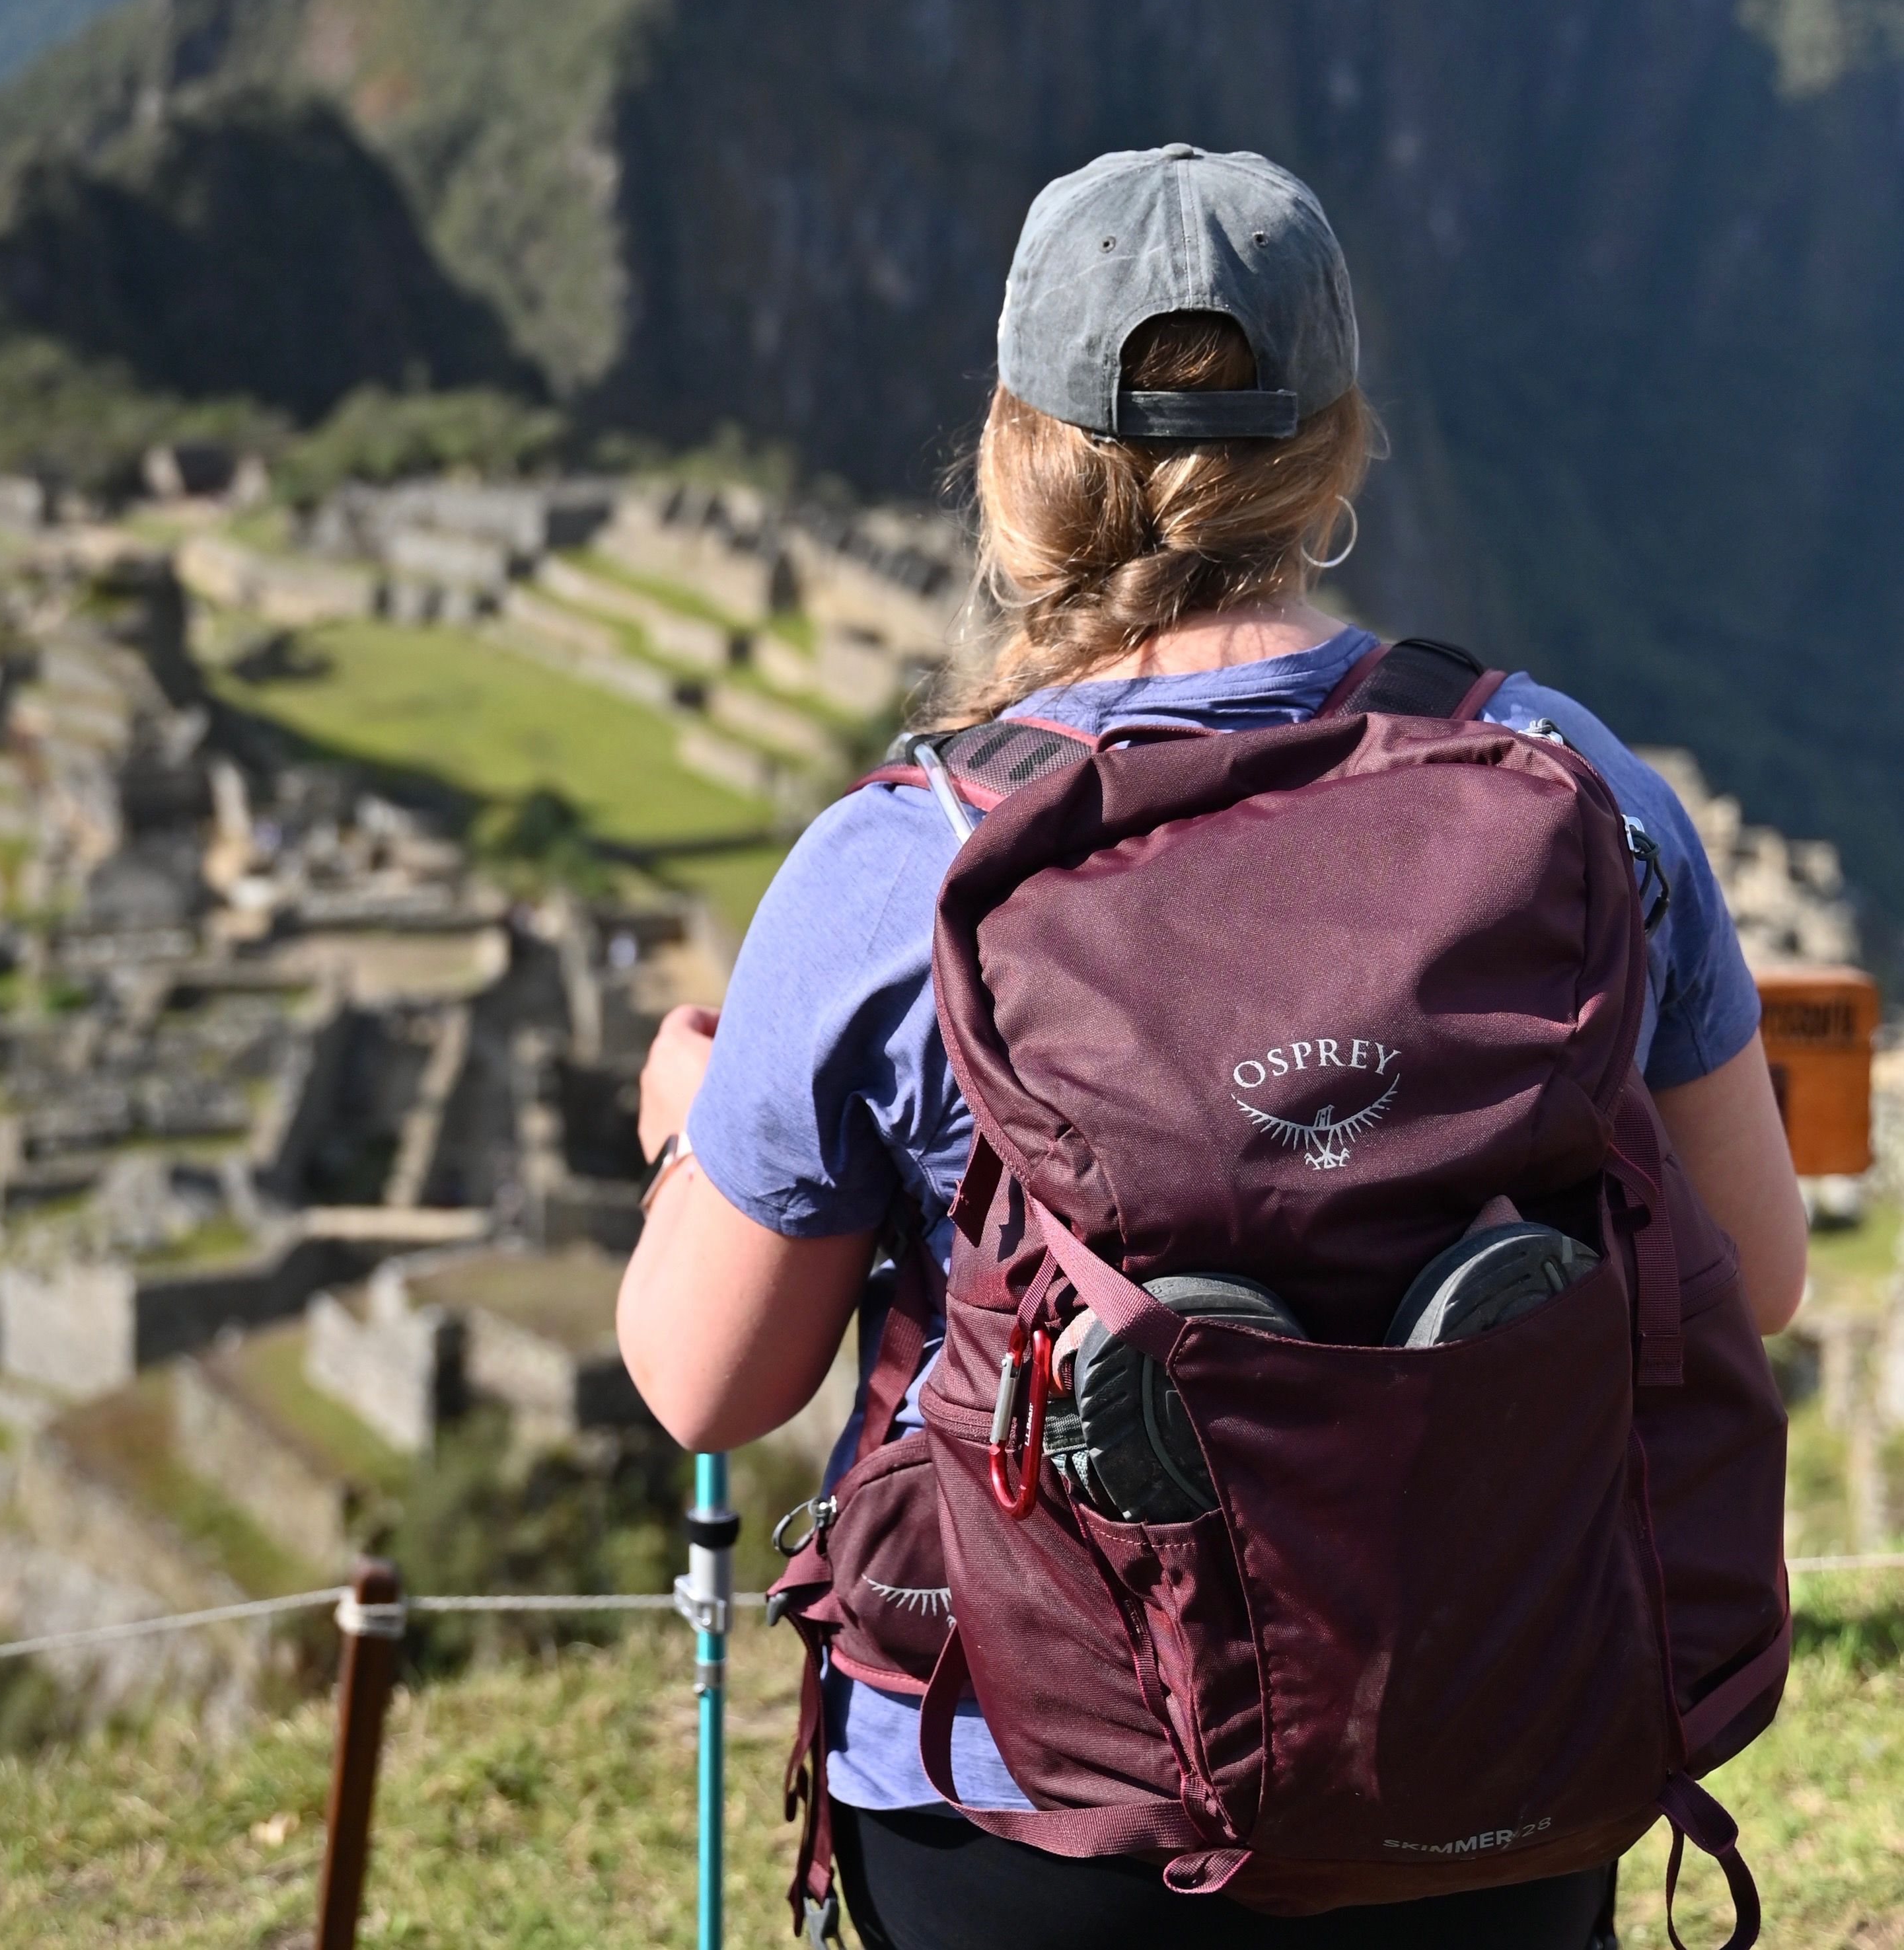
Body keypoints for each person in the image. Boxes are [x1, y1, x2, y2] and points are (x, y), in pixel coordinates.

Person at [616, 144, 1806, 1950]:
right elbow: (1758, 1271)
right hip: (1486, 1765)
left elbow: (710, 1382)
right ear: (1331, 443)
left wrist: (695, 1130)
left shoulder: (902, 863)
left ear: (1019, 450)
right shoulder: (1580, 788)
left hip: (1023, 1801)